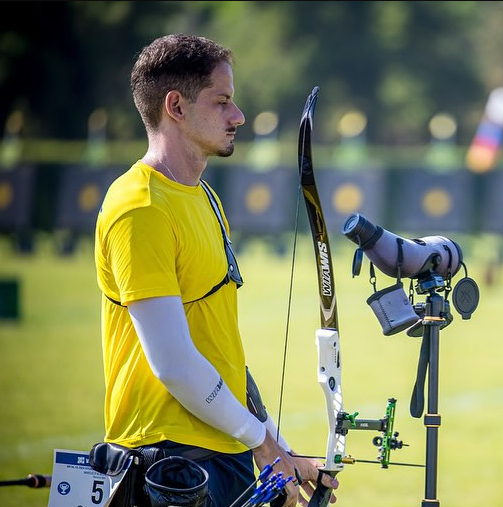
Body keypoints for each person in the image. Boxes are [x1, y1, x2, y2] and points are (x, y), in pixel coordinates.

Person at [94, 33, 338, 507]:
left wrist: (277, 444)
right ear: (176, 107)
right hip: (167, 464)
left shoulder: (205, 197)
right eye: (222, 101)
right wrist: (261, 443)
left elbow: (218, 346)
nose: (238, 116)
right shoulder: (140, 207)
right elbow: (175, 364)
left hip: (222, 451)